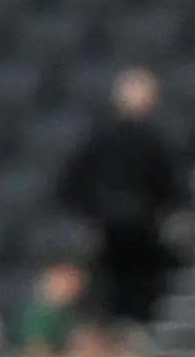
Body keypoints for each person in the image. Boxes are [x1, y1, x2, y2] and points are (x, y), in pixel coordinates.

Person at [54, 66, 180, 327]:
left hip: (142, 238)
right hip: (112, 238)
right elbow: (70, 186)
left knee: (137, 303)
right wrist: (91, 218)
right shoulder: (101, 140)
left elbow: (170, 191)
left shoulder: (155, 142)